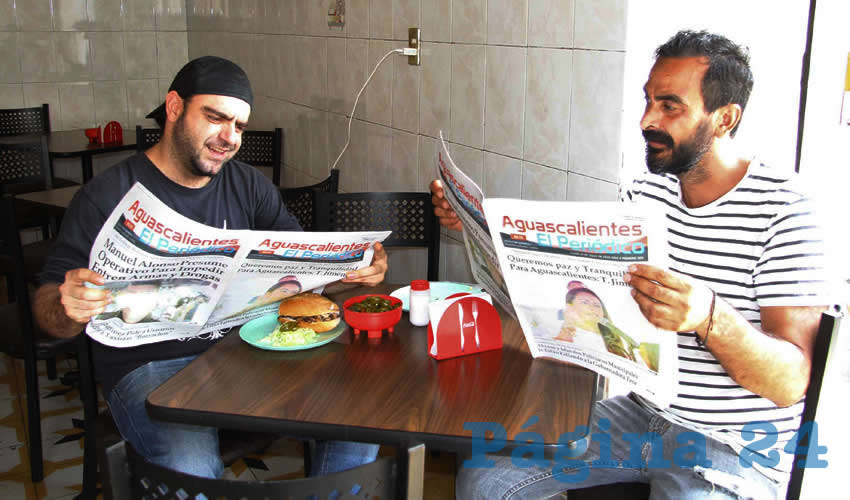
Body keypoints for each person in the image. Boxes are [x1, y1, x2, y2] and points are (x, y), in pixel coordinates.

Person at [431, 30, 831, 499]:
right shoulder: (648, 193)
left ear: (725, 118)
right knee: (485, 479)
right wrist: (484, 240)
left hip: (733, 446)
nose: (647, 120)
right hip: (640, 418)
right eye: (647, 101)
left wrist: (708, 317)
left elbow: (790, 381)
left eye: (669, 106)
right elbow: (588, 303)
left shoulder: (787, 209)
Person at [33, 56, 388, 479]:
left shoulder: (248, 184)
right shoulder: (107, 194)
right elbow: (48, 311)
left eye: (239, 126)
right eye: (215, 118)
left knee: (361, 416)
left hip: (246, 353)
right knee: (192, 467)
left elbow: (304, 270)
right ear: (174, 107)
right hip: (150, 370)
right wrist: (67, 304)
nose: (229, 138)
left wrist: (354, 269)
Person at [555, 281, 639, 362]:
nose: (578, 289)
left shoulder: (599, 309)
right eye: (572, 288)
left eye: (580, 287)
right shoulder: (563, 312)